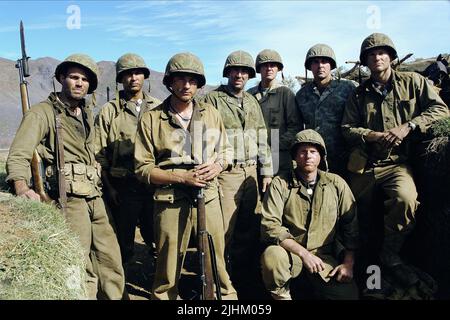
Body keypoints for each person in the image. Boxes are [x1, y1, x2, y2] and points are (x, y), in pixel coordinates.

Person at [6, 54, 125, 299]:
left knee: (110, 257)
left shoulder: (86, 113)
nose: (79, 83)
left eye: (84, 80)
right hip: (68, 198)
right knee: (77, 261)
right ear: (61, 78)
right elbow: (19, 153)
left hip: (95, 195)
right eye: (73, 77)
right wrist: (21, 186)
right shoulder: (42, 113)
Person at [341, 33, 449, 291]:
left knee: (406, 199)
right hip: (365, 164)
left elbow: (441, 110)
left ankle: (390, 254)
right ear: (365, 61)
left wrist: (408, 126)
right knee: (348, 210)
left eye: (382, 53)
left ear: (390, 57)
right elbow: (346, 128)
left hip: (397, 164)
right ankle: (356, 261)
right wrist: (370, 135)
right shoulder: (358, 95)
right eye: (371, 54)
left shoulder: (414, 82)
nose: (377, 57)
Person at [134, 52, 237, 300]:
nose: (186, 85)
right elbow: (142, 169)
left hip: (208, 196)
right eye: (180, 79)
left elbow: (226, 150)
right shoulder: (151, 118)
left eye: (192, 80)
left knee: (216, 263)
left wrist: (218, 165)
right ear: (170, 81)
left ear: (199, 83)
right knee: (167, 269)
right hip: (170, 199)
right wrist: (182, 177)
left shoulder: (211, 113)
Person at [203, 50, 273, 298]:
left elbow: (262, 136)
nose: (239, 75)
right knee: (223, 232)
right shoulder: (212, 100)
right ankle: (217, 285)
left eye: (244, 71)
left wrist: (266, 171)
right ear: (227, 72)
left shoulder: (252, 101)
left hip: (252, 172)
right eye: (235, 70)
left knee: (249, 228)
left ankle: (242, 280)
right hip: (227, 173)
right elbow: (204, 136)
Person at [260, 129, 359, 300]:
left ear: (321, 156)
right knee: (272, 256)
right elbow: (270, 226)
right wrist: (304, 254)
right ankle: (282, 296)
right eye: (302, 151)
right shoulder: (280, 184)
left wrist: (348, 264)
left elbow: (351, 227)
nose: (308, 156)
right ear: (295, 156)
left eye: (313, 151)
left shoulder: (336, 184)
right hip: (291, 255)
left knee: (348, 296)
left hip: (324, 259)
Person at [95, 53, 160, 264]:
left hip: (154, 185)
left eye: (138, 73)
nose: (134, 78)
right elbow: (99, 155)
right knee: (122, 242)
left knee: (158, 238)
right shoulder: (109, 111)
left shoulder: (159, 108)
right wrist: (109, 188)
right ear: (121, 79)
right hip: (123, 186)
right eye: (128, 74)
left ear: (144, 76)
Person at [296, 44, 357, 177]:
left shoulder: (348, 88)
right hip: (315, 160)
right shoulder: (302, 95)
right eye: (315, 62)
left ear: (331, 65)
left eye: (324, 61)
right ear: (310, 66)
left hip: (346, 157)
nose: (320, 66)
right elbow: (297, 127)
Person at [248, 49, 302, 176]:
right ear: (259, 69)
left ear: (278, 69)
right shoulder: (249, 95)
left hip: (279, 157)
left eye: (272, 65)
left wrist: (274, 146)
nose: (269, 68)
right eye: (265, 65)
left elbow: (295, 126)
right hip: (253, 157)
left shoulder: (285, 93)